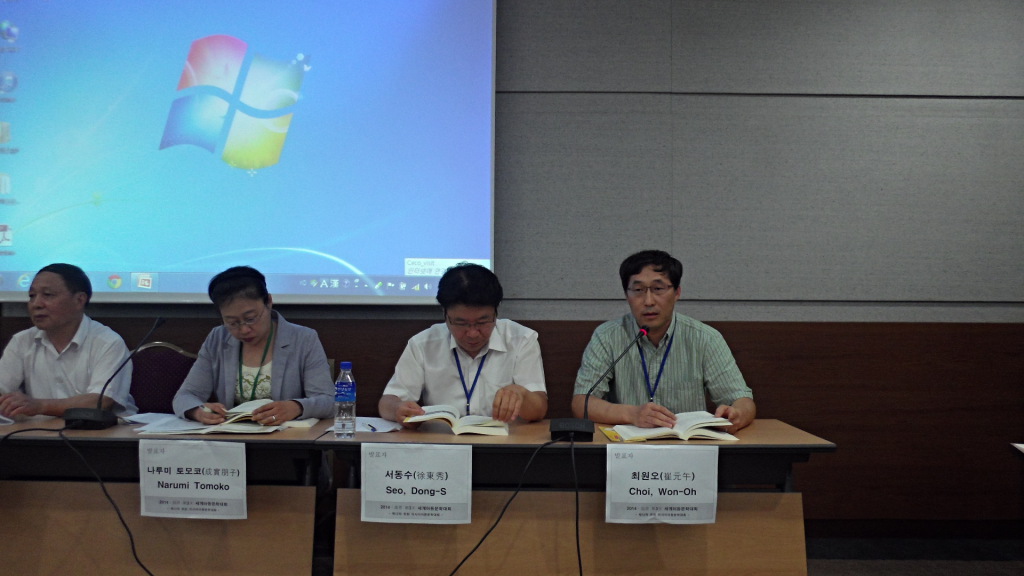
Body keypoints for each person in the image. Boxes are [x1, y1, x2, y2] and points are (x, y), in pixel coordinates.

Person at [572, 250, 755, 433]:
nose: (648, 301)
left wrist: (737, 414)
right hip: (627, 444)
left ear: (677, 292)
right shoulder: (607, 336)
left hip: (688, 445)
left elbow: (742, 400)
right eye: (638, 290)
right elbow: (582, 403)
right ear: (627, 295)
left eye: (658, 289)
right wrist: (632, 414)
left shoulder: (705, 338)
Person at [379, 263, 547, 427]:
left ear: (496, 312)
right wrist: (397, 409)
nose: (472, 333)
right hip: (443, 440)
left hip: (505, 441)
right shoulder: (423, 344)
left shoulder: (521, 339)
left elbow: (539, 409)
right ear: (445, 314)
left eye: (482, 322)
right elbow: (388, 401)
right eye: (461, 323)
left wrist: (522, 395)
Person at [173, 266, 334, 424]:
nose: (244, 330)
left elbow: (328, 401)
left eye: (250, 319)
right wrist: (198, 411)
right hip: (231, 436)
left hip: (285, 436)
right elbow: (185, 396)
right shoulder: (218, 338)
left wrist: (297, 407)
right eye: (232, 322)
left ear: (268, 302)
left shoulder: (303, 338)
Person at [0, 263, 137, 419]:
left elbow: (101, 401)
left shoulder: (108, 342)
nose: (36, 304)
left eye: (48, 295)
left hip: (103, 431)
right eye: (32, 296)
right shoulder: (22, 341)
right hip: (40, 430)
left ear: (79, 300)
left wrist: (40, 406)